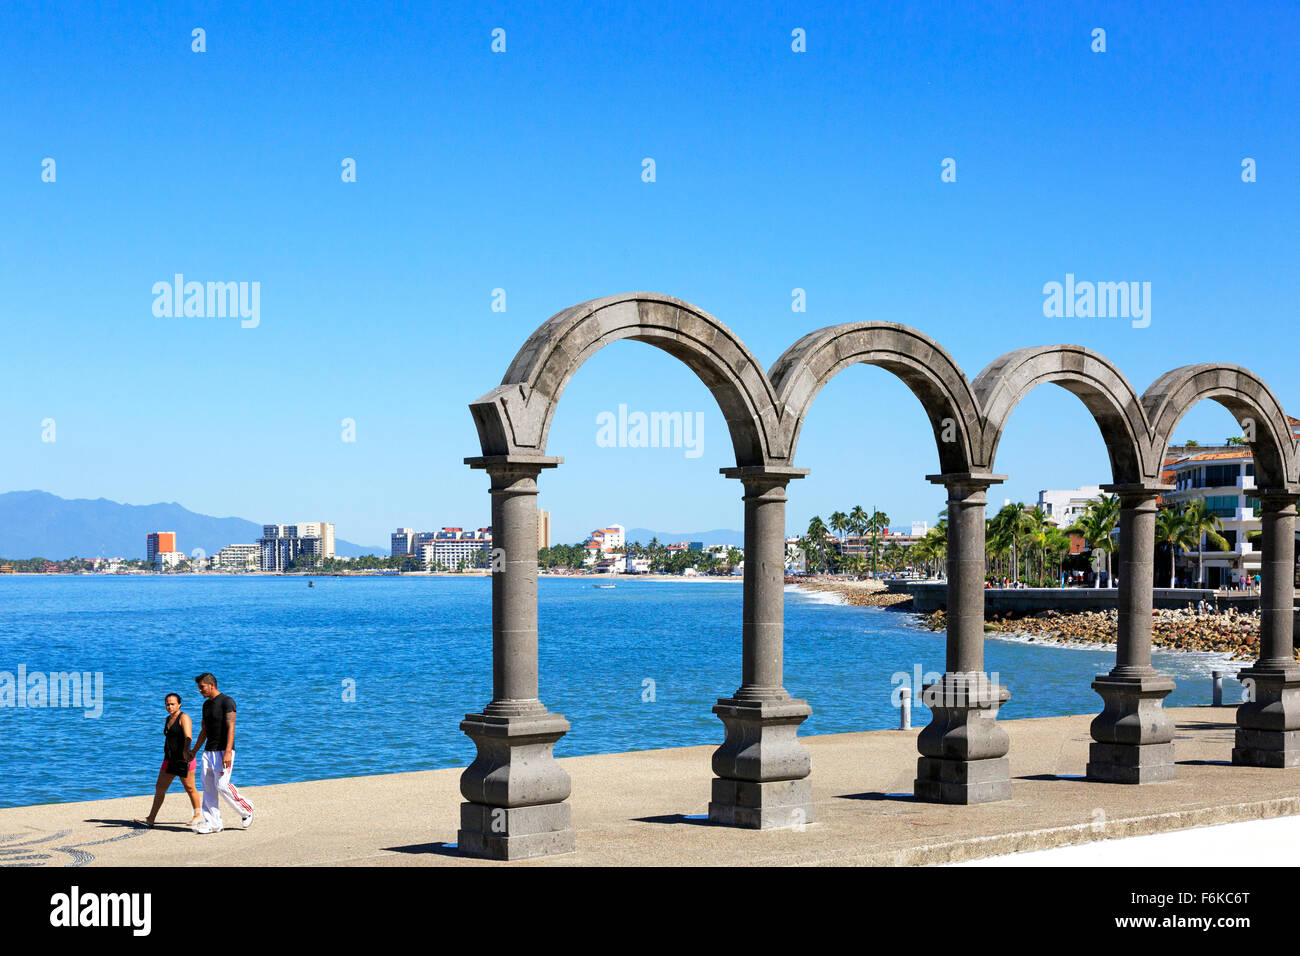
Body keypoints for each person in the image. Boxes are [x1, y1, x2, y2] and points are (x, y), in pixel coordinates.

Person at [188, 672, 255, 833]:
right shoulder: (206, 705)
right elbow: (204, 730)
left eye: (202, 687)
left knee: (222, 785)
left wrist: (227, 752)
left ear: (211, 685)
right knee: (209, 787)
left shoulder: (227, 702)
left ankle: (247, 809)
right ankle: (213, 823)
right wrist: (194, 751)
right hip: (208, 752)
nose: (200, 691)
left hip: (224, 751)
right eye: (199, 688)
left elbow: (231, 727)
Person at [134, 692, 201, 828]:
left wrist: (186, 751)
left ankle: (198, 815)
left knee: (190, 788)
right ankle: (151, 818)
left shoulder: (184, 718)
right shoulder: (167, 719)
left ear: (179, 704)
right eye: (167, 704)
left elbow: (188, 737)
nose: (169, 707)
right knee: (160, 788)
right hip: (169, 759)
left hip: (184, 759)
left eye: (172, 704)